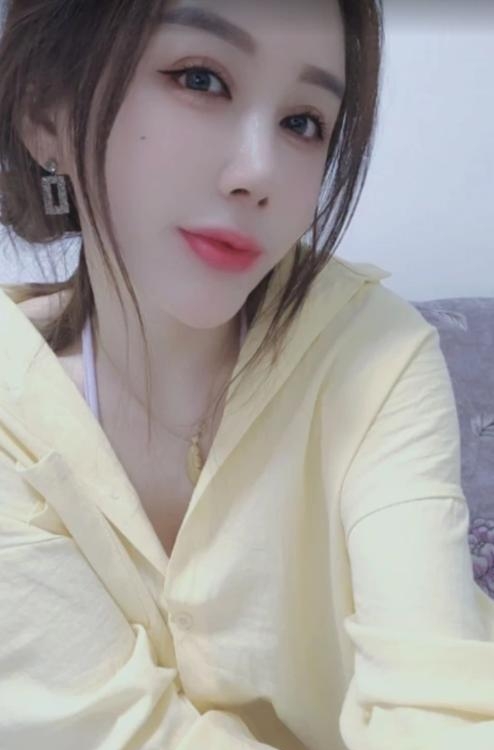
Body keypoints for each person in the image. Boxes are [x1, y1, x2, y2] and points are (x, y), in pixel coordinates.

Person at [0, 1, 493, 749]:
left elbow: (438, 704)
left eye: (303, 122)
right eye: (199, 78)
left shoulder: (373, 353)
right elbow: (116, 732)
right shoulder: (13, 408)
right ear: (48, 114)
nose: (259, 173)